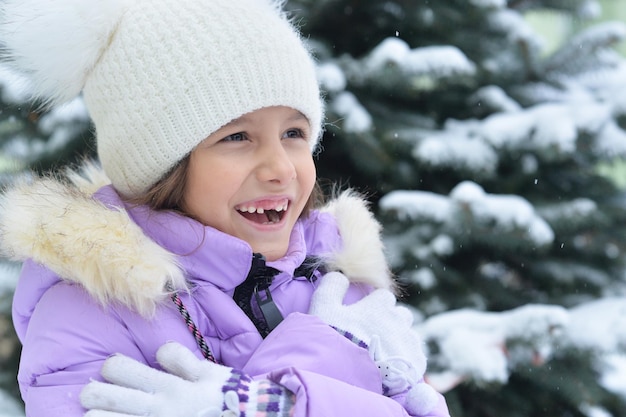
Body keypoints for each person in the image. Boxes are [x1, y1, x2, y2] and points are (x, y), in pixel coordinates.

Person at [0, 0, 450, 416]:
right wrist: (319, 364)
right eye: (236, 137)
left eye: (294, 133)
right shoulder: (89, 313)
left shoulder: (338, 284)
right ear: (162, 165)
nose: (281, 169)